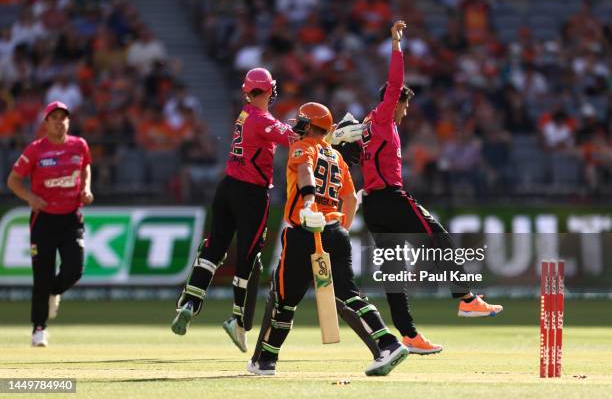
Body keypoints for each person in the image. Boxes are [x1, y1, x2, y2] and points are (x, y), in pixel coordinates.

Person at [334, 21, 503, 356]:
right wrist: (397, 44)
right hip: (391, 198)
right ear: (392, 102)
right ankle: (466, 298)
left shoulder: (362, 128)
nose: (405, 111)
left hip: (373, 205)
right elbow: (395, 82)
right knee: (437, 233)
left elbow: (345, 154)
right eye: (403, 105)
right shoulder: (382, 119)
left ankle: (408, 335)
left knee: (392, 270)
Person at [171, 68, 362, 352]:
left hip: (226, 188)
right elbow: (293, 139)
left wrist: (308, 130)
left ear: (247, 91)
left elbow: (282, 129)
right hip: (251, 194)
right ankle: (238, 321)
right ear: (270, 91)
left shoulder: (245, 114)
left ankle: (190, 300)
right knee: (249, 258)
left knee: (213, 248)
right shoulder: (262, 119)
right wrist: (332, 138)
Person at [248, 102, 408, 376]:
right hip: (334, 232)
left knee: (285, 299)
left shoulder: (303, 146)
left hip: (304, 232)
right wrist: (339, 226)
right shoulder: (338, 158)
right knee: (349, 294)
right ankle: (388, 342)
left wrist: (309, 202)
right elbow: (348, 198)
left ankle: (266, 361)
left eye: (301, 121)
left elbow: (304, 171)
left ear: (309, 125)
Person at [7, 101, 93, 347]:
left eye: (63, 117)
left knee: (74, 270)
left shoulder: (80, 145)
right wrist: (30, 197)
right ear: (46, 123)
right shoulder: (35, 150)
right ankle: (39, 328)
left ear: (68, 121)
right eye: (54, 117)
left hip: (71, 218)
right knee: (41, 276)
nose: (59, 121)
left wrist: (86, 188)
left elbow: (86, 166)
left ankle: (53, 292)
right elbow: (13, 180)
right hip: (43, 220)